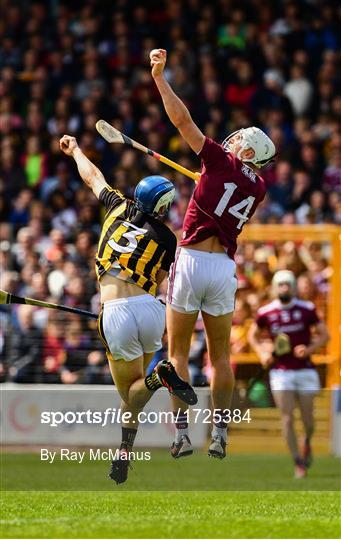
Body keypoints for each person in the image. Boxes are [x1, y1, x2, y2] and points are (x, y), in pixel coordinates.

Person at [150, 48, 276, 459]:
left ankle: (182, 434)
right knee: (221, 356)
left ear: (247, 151)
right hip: (223, 268)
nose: (232, 138)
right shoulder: (258, 188)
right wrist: (213, 172)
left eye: (239, 139)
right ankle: (220, 431)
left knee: (177, 354)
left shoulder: (220, 160)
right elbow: (228, 190)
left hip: (190, 261)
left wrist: (159, 78)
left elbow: (182, 120)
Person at [59, 134, 197, 484]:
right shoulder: (168, 239)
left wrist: (75, 150)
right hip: (151, 309)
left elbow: (93, 177)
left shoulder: (117, 205)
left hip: (116, 310)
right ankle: (123, 454)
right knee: (137, 393)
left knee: (131, 393)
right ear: (163, 207)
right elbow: (161, 279)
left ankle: (158, 377)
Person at [248, 270, 329, 478]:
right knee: (287, 418)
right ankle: (298, 462)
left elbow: (325, 335)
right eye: (280, 284)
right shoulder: (266, 312)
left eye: (287, 284)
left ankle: (307, 443)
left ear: (293, 287)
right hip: (281, 372)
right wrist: (262, 353)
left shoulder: (307, 309)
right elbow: (253, 337)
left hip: (305, 370)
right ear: (275, 287)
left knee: (308, 421)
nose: (284, 288)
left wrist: (309, 349)